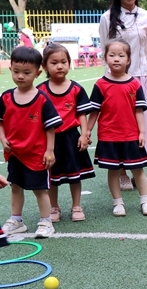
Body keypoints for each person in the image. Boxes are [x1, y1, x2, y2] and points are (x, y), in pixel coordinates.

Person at [99, 0, 147, 191]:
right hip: (117, 81)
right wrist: (111, 81)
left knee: (142, 126)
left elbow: (146, 50)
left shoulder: (146, 16)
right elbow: (105, 51)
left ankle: (138, 170)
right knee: (121, 125)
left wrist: (146, 75)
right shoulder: (107, 18)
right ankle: (121, 172)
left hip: (141, 77)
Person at [87, 39, 147, 217]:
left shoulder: (134, 84)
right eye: (112, 55)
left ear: (128, 59)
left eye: (121, 55)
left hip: (131, 136)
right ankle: (118, 203)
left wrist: (142, 132)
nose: (116, 59)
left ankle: (145, 201)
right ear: (105, 58)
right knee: (113, 171)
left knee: (138, 170)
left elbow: (139, 110)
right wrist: (86, 131)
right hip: (108, 137)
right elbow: (94, 111)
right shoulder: (100, 85)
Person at [0, 47, 62, 237]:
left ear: (37, 73)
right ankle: (16, 220)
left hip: (36, 154)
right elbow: (1, 122)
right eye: (16, 71)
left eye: (26, 73)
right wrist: (3, 139)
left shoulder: (42, 99)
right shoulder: (6, 97)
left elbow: (50, 127)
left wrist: (49, 150)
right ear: (10, 69)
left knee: (39, 189)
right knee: (16, 187)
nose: (20, 76)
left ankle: (46, 222)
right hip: (15, 154)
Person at [37, 43, 95, 222]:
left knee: (74, 175)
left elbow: (82, 114)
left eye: (64, 61)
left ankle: (76, 206)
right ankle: (54, 207)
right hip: (49, 141)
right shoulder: (40, 91)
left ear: (69, 63)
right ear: (45, 66)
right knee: (51, 176)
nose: (60, 66)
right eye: (54, 62)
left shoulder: (76, 89)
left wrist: (85, 134)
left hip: (71, 139)